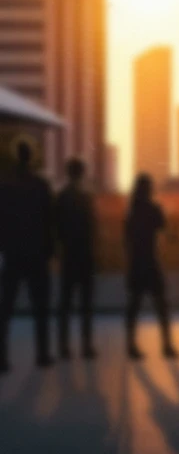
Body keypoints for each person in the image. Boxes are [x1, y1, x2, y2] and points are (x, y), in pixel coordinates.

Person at [0, 141, 55, 373]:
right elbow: (50, 220)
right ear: (31, 156)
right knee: (40, 308)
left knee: (6, 308)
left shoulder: (5, 185)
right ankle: (42, 354)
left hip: (13, 253)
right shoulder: (41, 185)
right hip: (36, 254)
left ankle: (2, 358)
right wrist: (49, 250)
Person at [123, 173, 177, 359]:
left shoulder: (131, 211)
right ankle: (167, 346)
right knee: (161, 305)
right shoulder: (154, 209)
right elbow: (166, 232)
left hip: (136, 263)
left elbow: (127, 241)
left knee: (134, 306)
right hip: (151, 262)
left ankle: (131, 345)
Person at [54, 158, 97, 360]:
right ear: (82, 173)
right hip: (85, 257)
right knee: (86, 305)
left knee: (65, 304)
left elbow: (56, 228)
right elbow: (92, 229)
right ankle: (86, 346)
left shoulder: (61, 197)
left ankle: (63, 347)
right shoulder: (86, 198)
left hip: (69, 256)